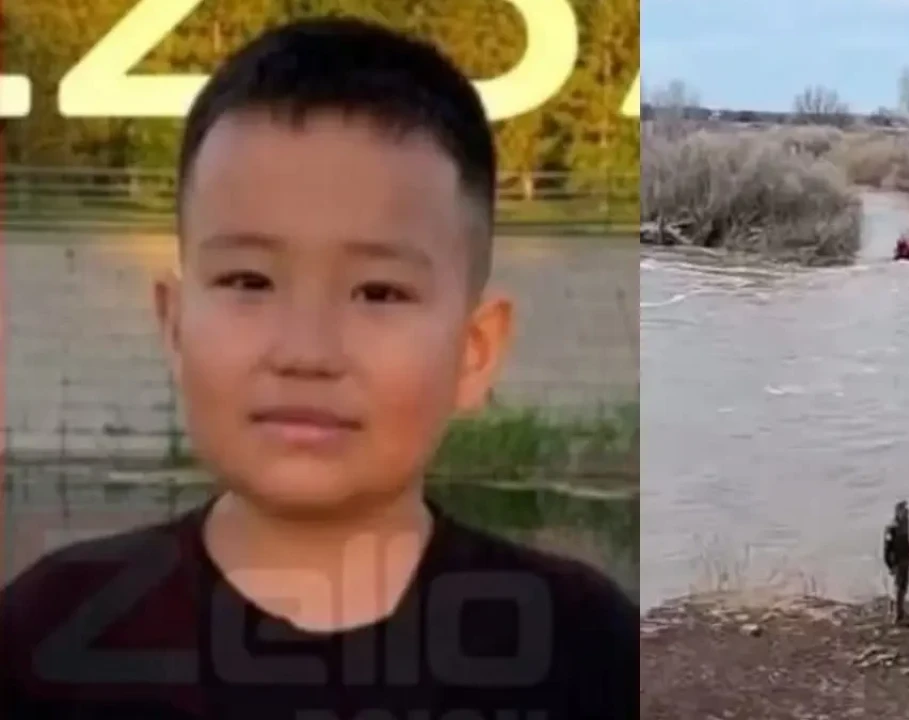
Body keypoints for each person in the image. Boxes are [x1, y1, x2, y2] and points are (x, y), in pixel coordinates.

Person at [0, 17, 638, 719]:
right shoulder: (44, 635)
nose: (305, 351)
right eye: (248, 282)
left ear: (474, 350)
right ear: (175, 324)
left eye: (379, 292)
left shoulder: (587, 649)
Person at [882, 500, 909, 624]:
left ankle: (899, 610)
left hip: (905, 559)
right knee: (898, 588)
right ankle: (895, 613)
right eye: (905, 511)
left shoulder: (905, 524)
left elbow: (906, 542)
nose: (907, 513)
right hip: (897, 561)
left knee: (903, 586)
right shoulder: (892, 527)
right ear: (898, 512)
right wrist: (890, 564)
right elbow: (886, 549)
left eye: (907, 511)